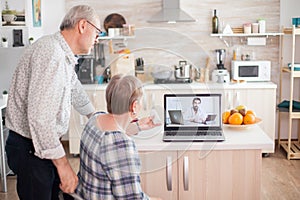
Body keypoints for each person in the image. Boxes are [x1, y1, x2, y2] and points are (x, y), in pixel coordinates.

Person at [75, 74, 161, 200]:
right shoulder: (121, 146)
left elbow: (110, 137)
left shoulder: (94, 119)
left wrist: (138, 126)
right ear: (134, 106)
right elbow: (132, 197)